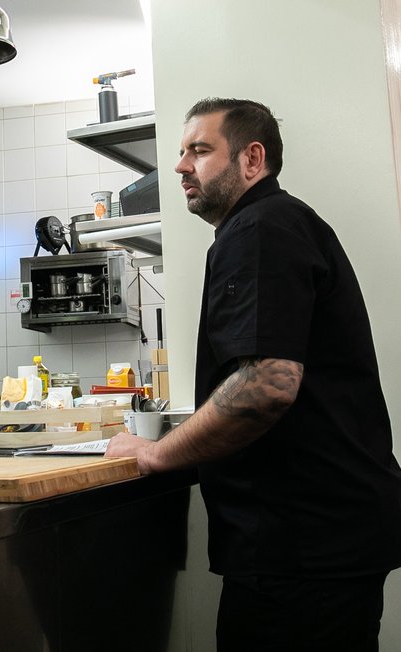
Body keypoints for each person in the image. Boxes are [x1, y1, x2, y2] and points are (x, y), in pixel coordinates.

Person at [105, 97, 401, 651]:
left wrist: (157, 453)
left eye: (199, 150)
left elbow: (267, 385)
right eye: (181, 152)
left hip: (303, 545)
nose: (180, 167)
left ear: (251, 158)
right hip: (323, 536)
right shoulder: (274, 224)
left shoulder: (259, 228)